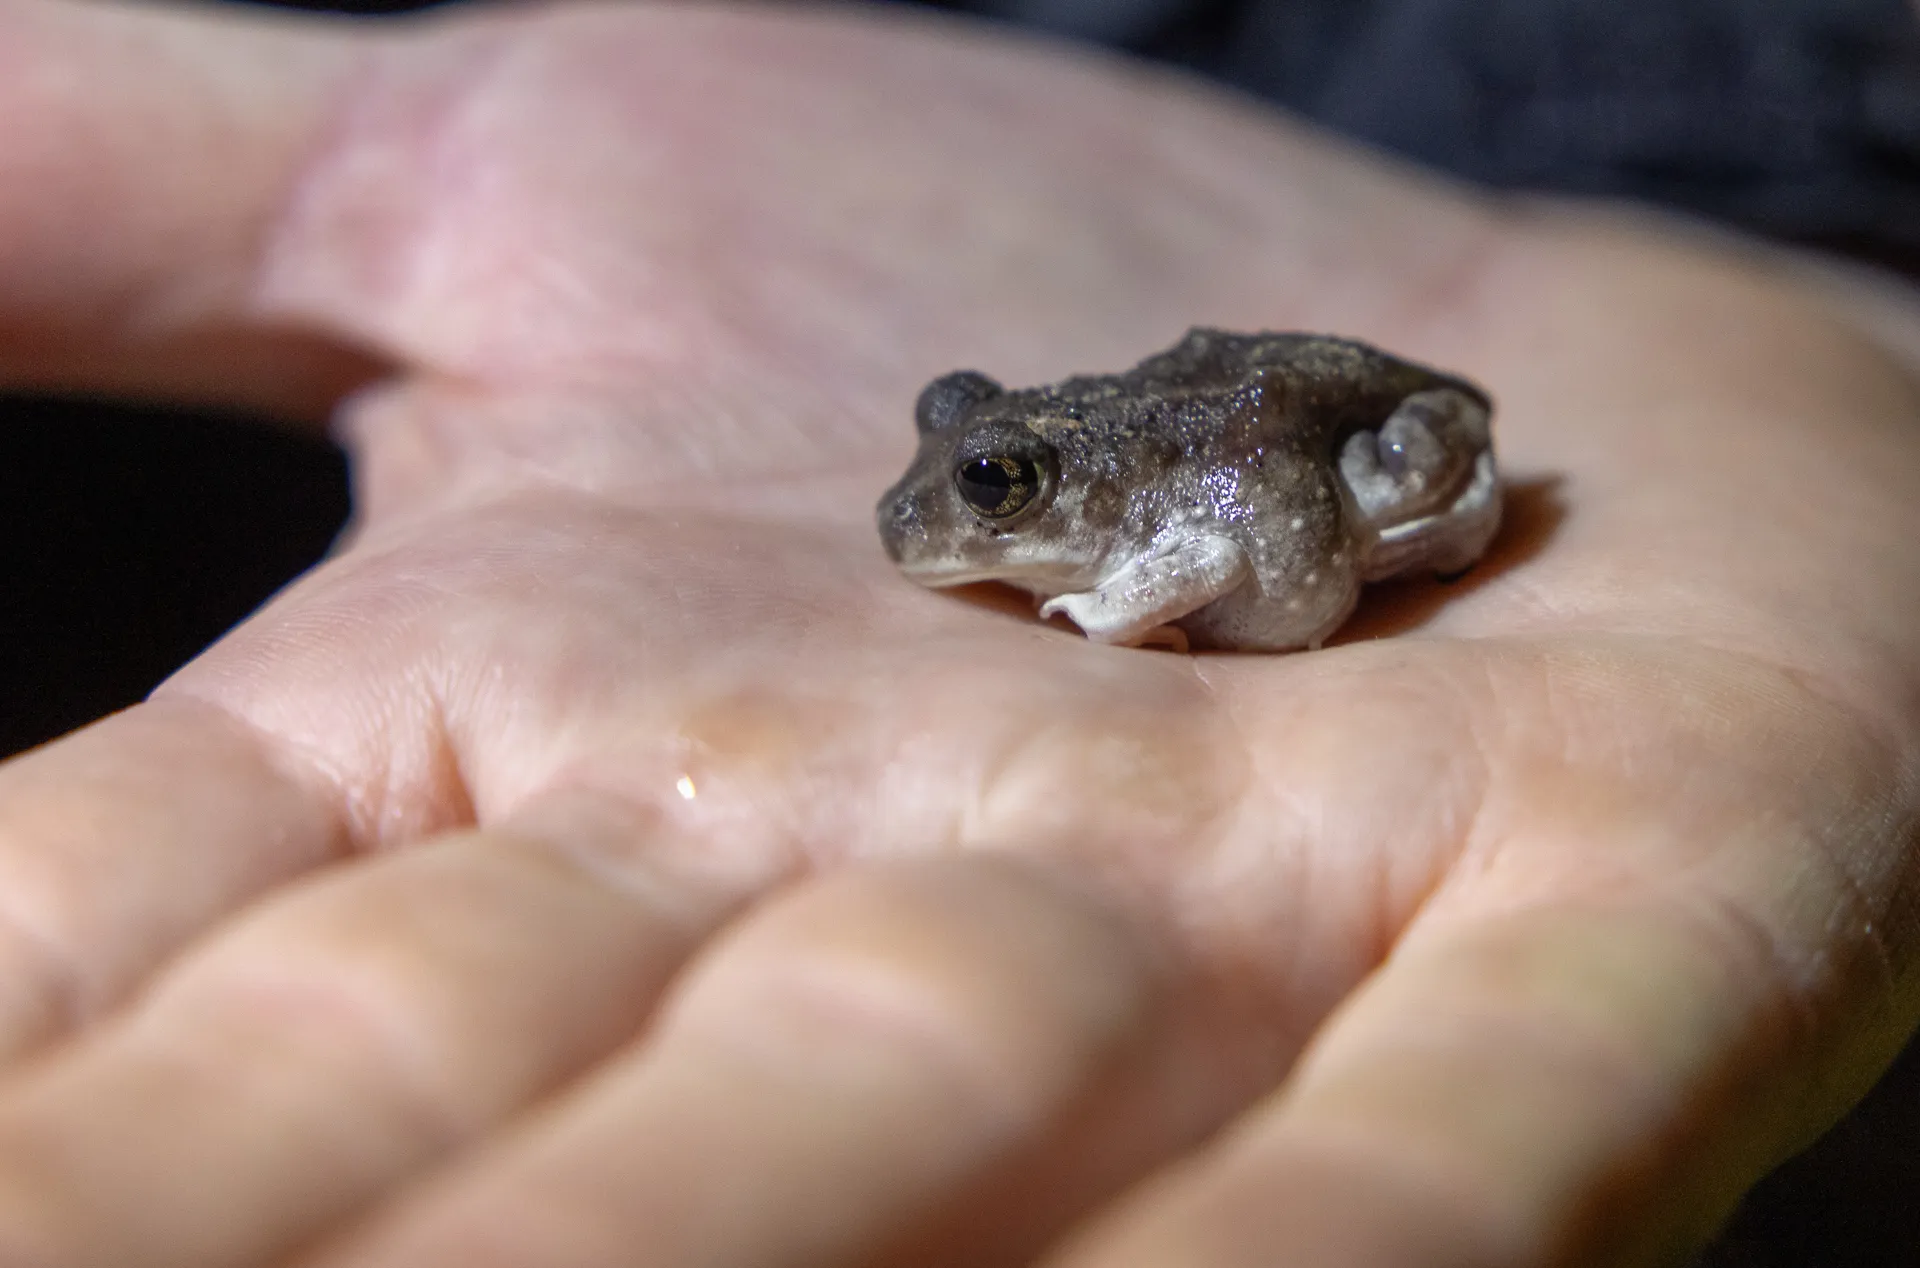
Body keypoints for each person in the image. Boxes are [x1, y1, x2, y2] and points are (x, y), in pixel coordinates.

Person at [0, 0, 1917, 1264]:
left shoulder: (1184, 493)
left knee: (1406, 478)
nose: (951, 519)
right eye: (968, 466)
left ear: (1061, 491)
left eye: (997, 491)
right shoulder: (1052, 483)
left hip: (1378, 405)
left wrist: (1831, 266)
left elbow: (1308, 568)